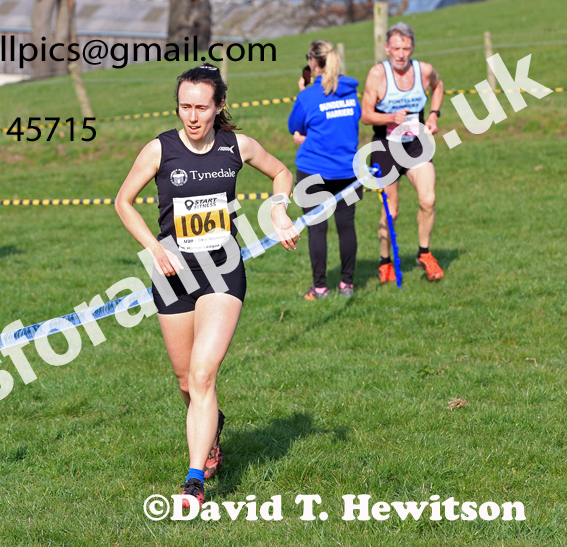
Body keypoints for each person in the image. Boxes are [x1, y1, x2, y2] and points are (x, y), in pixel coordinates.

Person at [115, 64, 300, 507]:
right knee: (185, 381)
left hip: (222, 271)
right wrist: (154, 248)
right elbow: (123, 201)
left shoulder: (237, 145)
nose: (193, 116)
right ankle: (212, 429)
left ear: (219, 106)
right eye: (185, 107)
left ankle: (194, 481)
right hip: (172, 276)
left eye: (201, 107)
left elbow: (281, 172)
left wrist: (278, 208)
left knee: (202, 374)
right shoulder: (160, 149)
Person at [361, 22, 445, 282]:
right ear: (387, 48)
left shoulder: (424, 71)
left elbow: (438, 86)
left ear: (412, 48)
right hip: (386, 147)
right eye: (396, 48)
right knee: (392, 211)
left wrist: (434, 114)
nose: (401, 54)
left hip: (416, 143)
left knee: (428, 199)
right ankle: (385, 261)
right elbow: (366, 115)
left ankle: (424, 254)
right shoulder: (378, 75)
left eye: (406, 49)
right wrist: (389, 117)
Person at [288, 40, 362, 299]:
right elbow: (349, 125)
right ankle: (347, 284)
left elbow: (295, 126)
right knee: (346, 227)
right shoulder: (351, 92)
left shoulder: (307, 96)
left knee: (317, 229)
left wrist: (303, 93)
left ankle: (320, 287)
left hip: (313, 170)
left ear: (312, 62)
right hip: (348, 171)